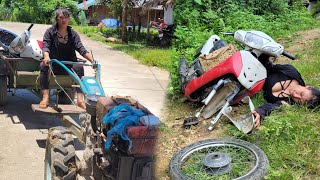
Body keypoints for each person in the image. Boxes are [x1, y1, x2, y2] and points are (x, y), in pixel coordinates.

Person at [39, 8, 94, 109]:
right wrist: (46, 57)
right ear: (57, 19)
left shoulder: (73, 34)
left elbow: (81, 49)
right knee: (43, 65)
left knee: (79, 67)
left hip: (69, 64)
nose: (64, 20)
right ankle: (45, 97)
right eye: (61, 18)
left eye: (66, 17)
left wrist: (92, 61)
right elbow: (45, 46)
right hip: (54, 63)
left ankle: (80, 100)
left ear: (69, 19)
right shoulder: (50, 32)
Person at [252, 62, 320, 128]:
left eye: (299, 101)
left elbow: (271, 107)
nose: (295, 96)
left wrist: (259, 113)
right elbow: (267, 66)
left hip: (248, 91)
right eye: (301, 94)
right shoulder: (290, 72)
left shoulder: (288, 102)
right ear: (308, 87)